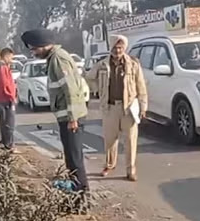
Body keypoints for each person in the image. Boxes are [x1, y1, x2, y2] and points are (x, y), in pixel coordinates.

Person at [21, 29, 89, 194]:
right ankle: (75, 193)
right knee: (71, 159)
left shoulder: (59, 59)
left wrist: (72, 118)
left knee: (75, 160)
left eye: (34, 49)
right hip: (66, 117)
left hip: (71, 118)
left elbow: (71, 89)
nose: (33, 53)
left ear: (42, 45)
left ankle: (81, 196)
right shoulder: (54, 58)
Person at [85, 34, 148, 181]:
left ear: (124, 48)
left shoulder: (133, 64)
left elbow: (141, 86)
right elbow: (88, 78)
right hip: (110, 108)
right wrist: (98, 90)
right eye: (115, 48)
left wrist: (143, 107)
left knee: (131, 140)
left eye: (120, 48)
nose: (117, 51)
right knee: (109, 139)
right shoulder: (102, 65)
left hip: (128, 108)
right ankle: (109, 164)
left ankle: (130, 169)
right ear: (110, 48)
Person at [0, 47, 18, 153]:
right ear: (6, 55)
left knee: (3, 121)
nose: (11, 60)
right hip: (5, 98)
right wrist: (11, 96)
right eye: (11, 57)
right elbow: (5, 83)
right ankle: (9, 145)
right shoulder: (2, 67)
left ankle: (5, 142)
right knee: (9, 122)